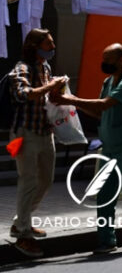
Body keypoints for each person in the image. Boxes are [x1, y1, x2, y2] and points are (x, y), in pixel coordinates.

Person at [53, 43, 122, 254]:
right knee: (104, 195)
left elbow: (104, 104)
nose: (104, 64)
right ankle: (107, 241)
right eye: (103, 59)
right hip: (109, 147)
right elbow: (100, 112)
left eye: (108, 60)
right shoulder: (108, 81)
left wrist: (70, 99)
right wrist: (71, 107)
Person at [8, 28, 68, 258]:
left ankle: (20, 221)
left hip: (45, 131)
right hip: (26, 133)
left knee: (45, 180)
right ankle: (23, 235)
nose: (52, 48)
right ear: (35, 46)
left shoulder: (46, 67)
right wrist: (48, 87)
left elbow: (45, 96)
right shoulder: (21, 68)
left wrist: (57, 92)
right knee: (29, 181)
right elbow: (23, 94)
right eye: (48, 44)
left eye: (52, 43)